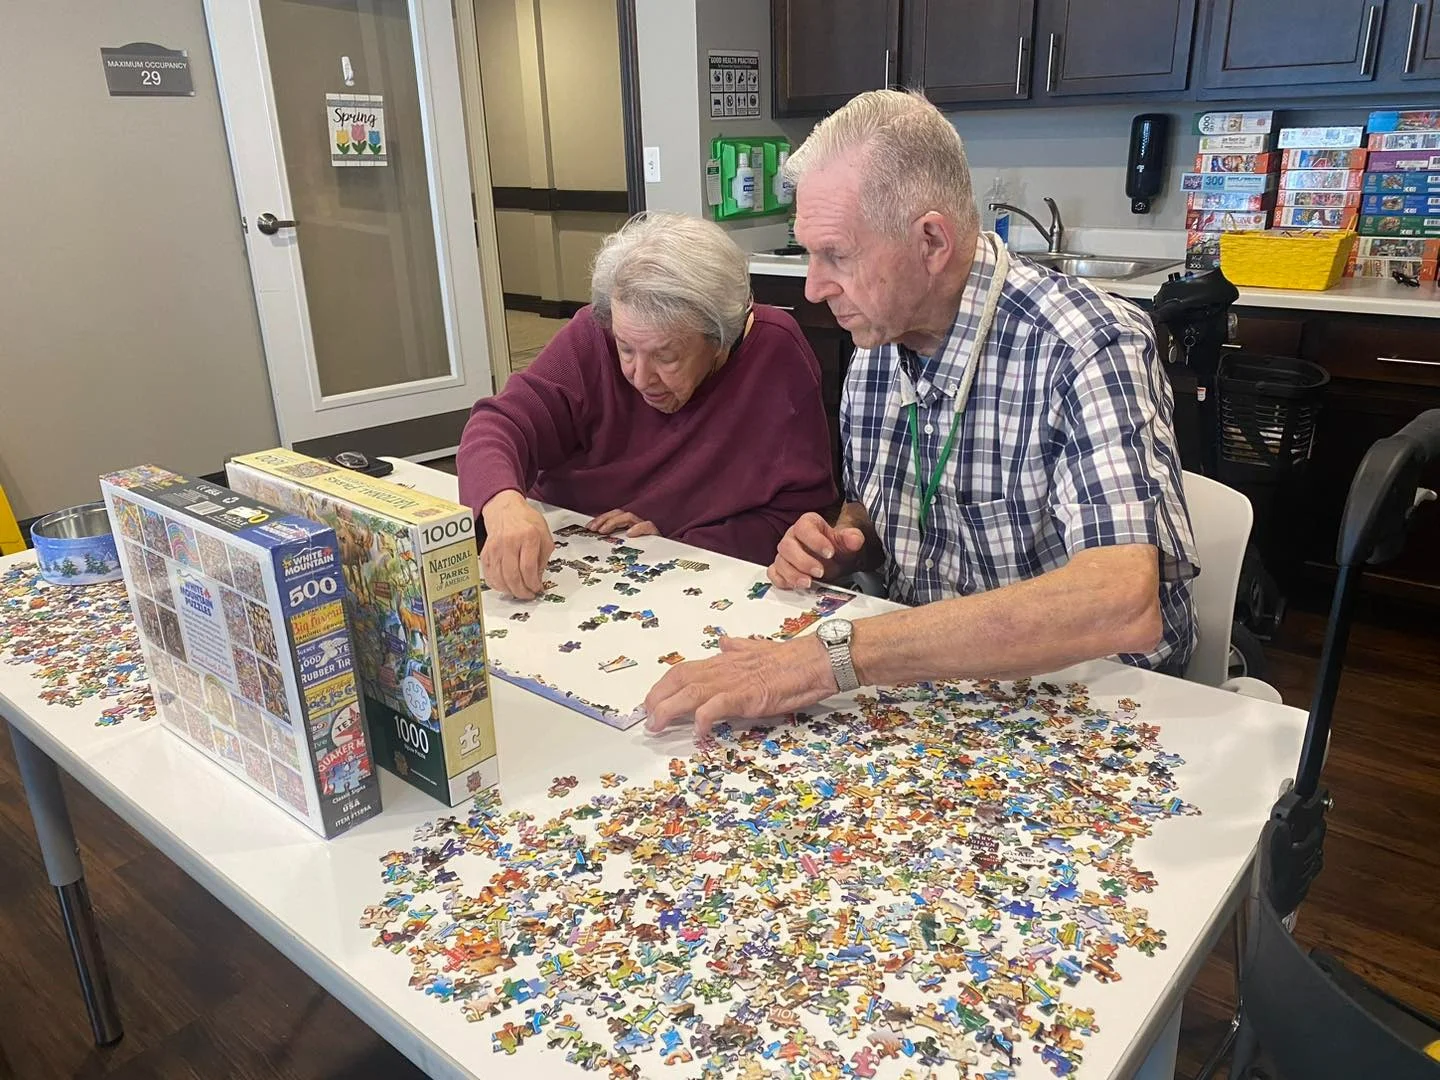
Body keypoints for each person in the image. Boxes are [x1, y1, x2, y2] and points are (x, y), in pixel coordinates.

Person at [644, 89, 1198, 735]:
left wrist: (832, 659)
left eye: (837, 255)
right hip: (930, 689)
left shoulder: (1088, 344)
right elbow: (888, 514)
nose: (814, 288)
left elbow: (1118, 602)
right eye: (809, 254)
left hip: (1094, 698)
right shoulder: (880, 335)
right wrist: (848, 541)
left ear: (931, 241)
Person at [458, 211, 836, 598]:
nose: (639, 376)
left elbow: (797, 513)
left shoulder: (777, 352)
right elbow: (499, 425)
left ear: (721, 339)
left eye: (666, 356)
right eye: (625, 349)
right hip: (565, 567)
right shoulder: (593, 332)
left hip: (690, 583)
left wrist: (678, 540)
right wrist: (502, 504)